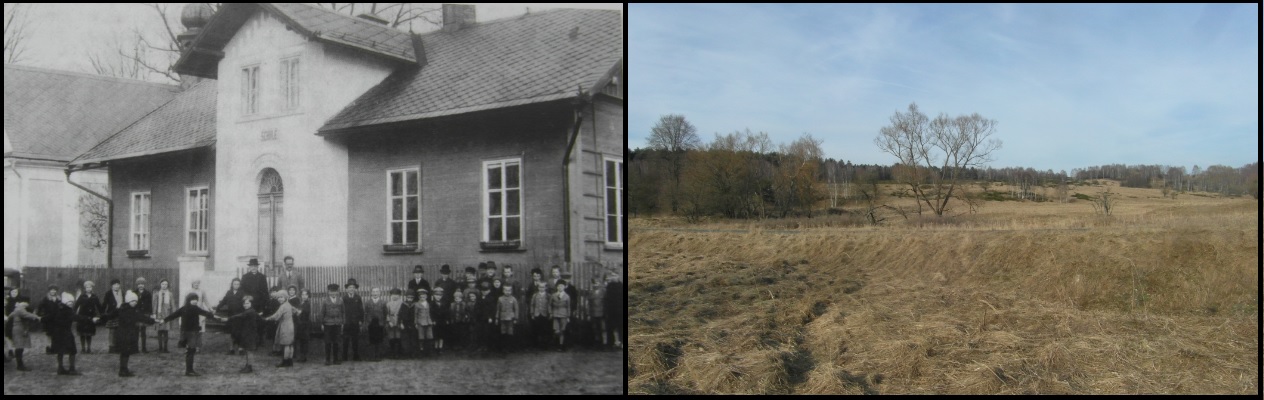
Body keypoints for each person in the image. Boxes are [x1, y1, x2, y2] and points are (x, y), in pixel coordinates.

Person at [162, 293, 220, 376]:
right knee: (191, 350)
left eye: (196, 300)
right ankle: (189, 371)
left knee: (190, 351)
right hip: (188, 333)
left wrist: (215, 317)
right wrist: (164, 320)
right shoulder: (186, 308)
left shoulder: (193, 308)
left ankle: (189, 370)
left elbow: (205, 313)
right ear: (189, 300)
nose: (195, 301)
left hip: (191, 332)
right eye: (193, 300)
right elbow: (174, 315)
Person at [102, 290, 157, 377]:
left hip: (128, 334)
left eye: (135, 301)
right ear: (128, 301)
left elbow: (143, 317)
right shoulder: (126, 310)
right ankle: (123, 370)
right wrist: (98, 319)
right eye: (132, 301)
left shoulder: (131, 309)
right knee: (125, 352)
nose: (134, 303)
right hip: (124, 334)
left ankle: (124, 369)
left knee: (125, 353)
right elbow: (109, 316)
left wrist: (153, 320)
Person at [43, 292, 94, 375]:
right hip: (66, 333)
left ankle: (60, 368)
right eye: (70, 302)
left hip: (56, 333)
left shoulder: (57, 308)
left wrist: (41, 319)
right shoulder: (68, 310)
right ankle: (72, 369)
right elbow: (77, 317)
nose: (71, 304)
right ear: (66, 302)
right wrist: (89, 318)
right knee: (72, 351)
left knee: (60, 351)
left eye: (72, 302)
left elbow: (49, 317)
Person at [227, 295, 263, 373]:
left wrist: (228, 318)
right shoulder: (250, 311)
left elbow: (240, 316)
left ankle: (249, 367)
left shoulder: (250, 311)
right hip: (248, 334)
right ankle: (247, 365)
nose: (245, 305)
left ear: (251, 303)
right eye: (244, 304)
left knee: (249, 351)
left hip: (250, 334)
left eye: (247, 303)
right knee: (247, 350)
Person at [263, 290, 298, 368]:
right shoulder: (288, 304)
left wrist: (268, 318)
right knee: (290, 344)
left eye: (281, 297)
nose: (280, 299)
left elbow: (276, 316)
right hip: (290, 325)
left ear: (285, 297)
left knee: (285, 344)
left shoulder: (283, 306)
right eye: (278, 297)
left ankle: (285, 361)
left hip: (285, 326)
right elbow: (296, 311)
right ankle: (290, 361)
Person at [8, 296, 41, 371]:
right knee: (19, 347)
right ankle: (20, 365)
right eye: (25, 303)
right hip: (19, 330)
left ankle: (20, 364)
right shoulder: (20, 309)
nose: (26, 304)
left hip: (18, 329)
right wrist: (38, 317)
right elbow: (27, 315)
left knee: (20, 347)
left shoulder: (18, 309)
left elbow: (10, 316)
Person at [240, 259, 269, 345]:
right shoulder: (245, 277)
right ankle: (250, 340)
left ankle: (260, 340)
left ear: (257, 267)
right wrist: (247, 298)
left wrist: (265, 303)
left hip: (259, 303)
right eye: (252, 266)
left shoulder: (262, 277)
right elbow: (242, 290)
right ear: (249, 267)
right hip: (249, 303)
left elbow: (265, 291)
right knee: (249, 322)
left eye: (255, 266)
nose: (253, 268)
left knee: (259, 321)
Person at [317, 284, 345, 366]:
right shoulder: (325, 301)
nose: (333, 293)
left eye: (335, 291)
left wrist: (343, 322)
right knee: (328, 342)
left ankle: (336, 359)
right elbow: (322, 313)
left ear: (337, 292)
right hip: (328, 324)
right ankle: (327, 359)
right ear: (328, 292)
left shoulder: (340, 300)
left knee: (336, 342)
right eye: (331, 292)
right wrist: (322, 323)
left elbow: (343, 312)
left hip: (337, 323)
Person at [217, 278, 245, 355]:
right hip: (231, 315)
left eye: (238, 284)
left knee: (239, 332)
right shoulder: (229, 293)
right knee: (231, 332)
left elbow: (245, 303)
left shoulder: (242, 293)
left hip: (239, 316)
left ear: (240, 285)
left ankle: (240, 349)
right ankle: (231, 349)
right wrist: (217, 308)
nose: (236, 285)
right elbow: (223, 301)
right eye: (235, 284)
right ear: (232, 285)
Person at [74, 281, 101, 354]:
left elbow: (99, 306)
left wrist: (100, 315)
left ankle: (89, 348)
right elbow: (76, 305)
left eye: (90, 287)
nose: (89, 289)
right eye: (87, 287)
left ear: (92, 288)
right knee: (82, 333)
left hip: (91, 317)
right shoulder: (82, 296)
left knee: (89, 333)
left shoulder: (95, 296)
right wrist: (74, 315)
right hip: (82, 316)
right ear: (85, 288)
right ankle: (83, 348)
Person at [342, 280, 364, 362]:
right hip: (346, 322)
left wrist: (361, 320)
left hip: (355, 322)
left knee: (355, 339)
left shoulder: (358, 298)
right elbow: (342, 310)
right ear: (346, 289)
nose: (351, 289)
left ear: (355, 289)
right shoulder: (343, 298)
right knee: (345, 339)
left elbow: (361, 310)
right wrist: (342, 321)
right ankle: (344, 356)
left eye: (353, 287)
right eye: (350, 287)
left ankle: (356, 355)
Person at [153, 279, 177, 353]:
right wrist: (154, 313)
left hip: (167, 314)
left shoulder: (170, 294)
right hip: (159, 314)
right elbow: (154, 304)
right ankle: (160, 348)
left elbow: (172, 304)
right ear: (160, 285)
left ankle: (165, 348)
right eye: (163, 284)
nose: (164, 286)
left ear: (167, 285)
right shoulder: (156, 293)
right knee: (160, 331)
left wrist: (174, 313)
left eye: (166, 284)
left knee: (166, 331)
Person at [36, 286, 60, 355]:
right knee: (48, 334)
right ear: (49, 291)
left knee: (55, 334)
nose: (53, 291)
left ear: (56, 291)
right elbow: (40, 307)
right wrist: (41, 315)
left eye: (54, 290)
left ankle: (54, 348)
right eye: (51, 290)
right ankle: (48, 348)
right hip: (48, 319)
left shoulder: (58, 298)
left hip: (56, 319)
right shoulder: (46, 298)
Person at [364, 287, 387, 361]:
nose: (375, 293)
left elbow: (385, 314)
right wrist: (366, 323)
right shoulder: (367, 302)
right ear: (371, 293)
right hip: (370, 323)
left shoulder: (383, 303)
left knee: (379, 340)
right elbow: (365, 313)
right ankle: (371, 356)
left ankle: (378, 356)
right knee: (371, 340)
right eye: (373, 292)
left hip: (379, 324)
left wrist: (384, 323)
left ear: (379, 293)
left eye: (377, 292)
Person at [496, 284, 519, 354]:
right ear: (503, 291)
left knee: (510, 332)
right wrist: (497, 318)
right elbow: (498, 309)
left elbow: (516, 309)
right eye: (506, 290)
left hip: (510, 318)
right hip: (502, 318)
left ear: (511, 291)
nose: (507, 292)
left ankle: (510, 347)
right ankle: (503, 347)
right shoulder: (500, 299)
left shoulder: (513, 299)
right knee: (503, 331)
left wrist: (516, 318)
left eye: (509, 290)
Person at [133, 277, 154, 354]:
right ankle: (135, 348)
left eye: (142, 284)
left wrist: (149, 313)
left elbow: (149, 305)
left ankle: (144, 348)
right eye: (139, 284)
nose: (140, 285)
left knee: (143, 332)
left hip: (144, 314)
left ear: (144, 285)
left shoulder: (147, 293)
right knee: (135, 332)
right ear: (137, 285)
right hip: (136, 315)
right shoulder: (134, 292)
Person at [291, 288, 312, 363]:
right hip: (300, 324)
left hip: (305, 324)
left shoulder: (307, 304)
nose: (304, 296)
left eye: (306, 294)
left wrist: (295, 310)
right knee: (301, 340)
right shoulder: (301, 303)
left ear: (308, 296)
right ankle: (302, 356)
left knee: (304, 341)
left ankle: (303, 356)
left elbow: (301, 312)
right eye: (303, 294)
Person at [102, 280, 123, 353]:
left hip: (120, 315)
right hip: (112, 314)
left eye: (118, 284)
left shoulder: (122, 293)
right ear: (112, 286)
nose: (117, 286)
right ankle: (111, 347)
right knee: (112, 331)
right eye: (115, 284)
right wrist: (104, 314)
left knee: (119, 331)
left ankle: (118, 347)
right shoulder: (108, 294)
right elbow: (104, 304)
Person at [550, 280, 572, 352]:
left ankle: (561, 345)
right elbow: (549, 305)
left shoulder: (567, 296)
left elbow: (568, 307)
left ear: (565, 287)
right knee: (556, 330)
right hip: (555, 315)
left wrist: (568, 316)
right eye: (558, 286)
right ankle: (556, 344)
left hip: (563, 315)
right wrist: (550, 313)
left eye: (562, 286)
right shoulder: (553, 295)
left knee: (563, 330)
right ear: (556, 287)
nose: (560, 287)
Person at [413, 288, 435, 357]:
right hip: (421, 322)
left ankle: (429, 351)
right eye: (421, 297)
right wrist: (416, 323)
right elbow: (415, 314)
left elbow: (430, 313)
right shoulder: (417, 304)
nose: (422, 298)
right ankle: (421, 351)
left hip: (428, 322)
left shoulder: (428, 304)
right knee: (421, 337)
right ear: (419, 297)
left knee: (429, 337)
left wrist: (432, 320)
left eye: (424, 297)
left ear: (426, 297)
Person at [606, 270, 624, 349]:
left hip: (620, 310)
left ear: (618, 276)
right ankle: (611, 343)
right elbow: (607, 298)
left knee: (621, 327)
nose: (613, 277)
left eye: (615, 275)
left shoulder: (621, 286)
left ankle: (622, 342)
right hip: (610, 310)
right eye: (612, 276)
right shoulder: (609, 286)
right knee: (610, 327)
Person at [530, 281, 551, 350]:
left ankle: (544, 345)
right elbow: (532, 305)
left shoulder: (548, 296)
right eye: (540, 287)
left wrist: (550, 313)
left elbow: (550, 305)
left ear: (545, 288)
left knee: (545, 330)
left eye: (543, 287)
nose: (541, 288)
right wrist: (532, 313)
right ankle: (536, 344)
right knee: (536, 329)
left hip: (545, 314)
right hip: (537, 314)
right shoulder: (535, 295)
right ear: (538, 288)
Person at [384, 288, 404, 359]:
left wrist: (401, 322)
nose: (395, 296)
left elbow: (403, 314)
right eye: (393, 295)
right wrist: (389, 321)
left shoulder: (402, 303)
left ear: (399, 296)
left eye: (396, 295)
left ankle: (398, 353)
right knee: (391, 337)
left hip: (398, 320)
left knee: (398, 337)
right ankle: (392, 353)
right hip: (391, 321)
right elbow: (387, 314)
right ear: (391, 296)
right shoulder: (388, 304)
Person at [589, 276, 608, 348]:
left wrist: (605, 312)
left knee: (603, 328)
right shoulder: (591, 292)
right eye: (594, 283)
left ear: (600, 283)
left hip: (602, 312)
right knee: (595, 328)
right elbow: (590, 304)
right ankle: (597, 342)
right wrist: (589, 313)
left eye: (597, 283)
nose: (595, 284)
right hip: (594, 312)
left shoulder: (603, 291)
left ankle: (604, 343)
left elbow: (606, 303)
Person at [430, 286, 449, 355]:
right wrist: (432, 320)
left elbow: (447, 312)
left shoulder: (444, 303)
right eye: (436, 295)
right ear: (434, 295)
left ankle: (440, 348)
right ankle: (436, 347)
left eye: (440, 295)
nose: (438, 297)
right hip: (435, 322)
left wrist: (446, 319)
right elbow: (431, 313)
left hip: (442, 321)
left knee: (441, 335)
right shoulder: (432, 304)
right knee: (436, 335)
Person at [400, 291, 417, 358]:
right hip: (405, 323)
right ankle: (405, 353)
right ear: (406, 297)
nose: (410, 299)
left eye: (411, 298)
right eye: (408, 297)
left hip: (413, 323)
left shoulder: (415, 304)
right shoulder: (403, 304)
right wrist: (401, 323)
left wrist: (416, 323)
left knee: (413, 339)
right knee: (405, 339)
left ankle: (413, 353)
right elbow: (400, 315)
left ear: (413, 298)